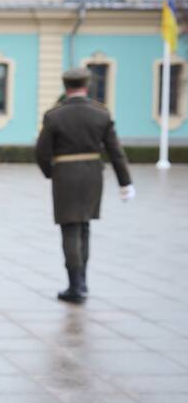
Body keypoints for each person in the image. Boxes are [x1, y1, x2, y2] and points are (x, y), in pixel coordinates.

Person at [36, 68, 134, 304]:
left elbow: (41, 152)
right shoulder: (101, 114)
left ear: (66, 87)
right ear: (86, 86)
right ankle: (83, 281)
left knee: (70, 229)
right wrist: (125, 183)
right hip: (92, 175)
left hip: (65, 175)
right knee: (85, 228)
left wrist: (52, 172)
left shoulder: (54, 115)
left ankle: (75, 285)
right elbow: (115, 152)